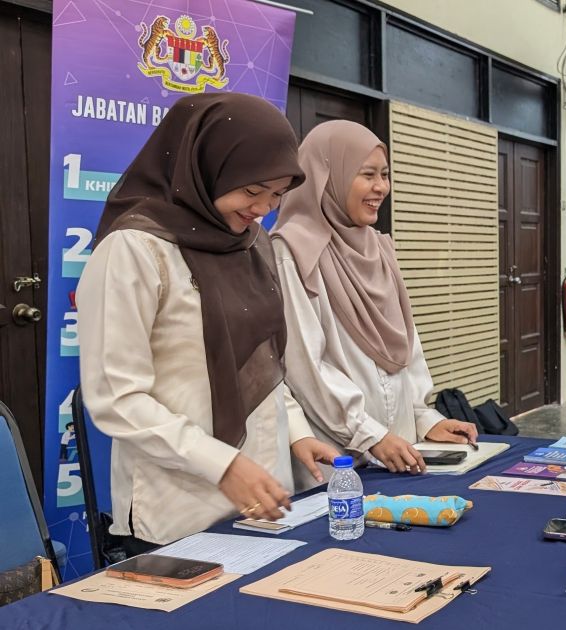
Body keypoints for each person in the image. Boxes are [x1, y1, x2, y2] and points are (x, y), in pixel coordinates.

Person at [77, 93, 340, 552]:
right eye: (252, 190)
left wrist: (297, 433)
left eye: (277, 194)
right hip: (178, 506)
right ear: (205, 167)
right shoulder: (135, 250)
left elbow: (262, 357)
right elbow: (116, 398)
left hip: (265, 492)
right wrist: (221, 464)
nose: (262, 208)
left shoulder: (252, 245)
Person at [272, 120, 478, 488]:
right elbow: (305, 367)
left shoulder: (380, 247)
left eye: (384, 174)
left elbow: (403, 346)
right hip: (339, 461)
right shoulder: (293, 251)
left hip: (399, 451)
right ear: (326, 176)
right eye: (366, 174)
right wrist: (369, 435)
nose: (381, 187)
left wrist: (425, 419)